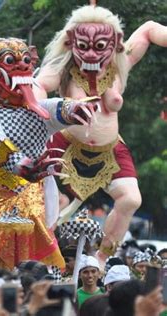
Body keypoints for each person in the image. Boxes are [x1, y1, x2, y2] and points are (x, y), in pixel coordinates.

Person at [34, 5, 167, 266]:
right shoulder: (64, 67)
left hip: (110, 149)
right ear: (71, 42)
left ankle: (101, 258)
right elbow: (39, 84)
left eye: (100, 46)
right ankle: (41, 257)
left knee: (130, 200)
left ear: (114, 43)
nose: (92, 54)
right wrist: (44, 111)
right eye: (84, 46)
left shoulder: (120, 65)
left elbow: (149, 29)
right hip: (66, 145)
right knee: (49, 203)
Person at [0, 37, 96, 270]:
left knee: (44, 264)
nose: (22, 67)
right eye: (11, 61)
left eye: (26, 61)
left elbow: (57, 108)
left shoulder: (39, 112)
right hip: (1, 198)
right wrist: (20, 164)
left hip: (35, 200)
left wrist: (76, 108)